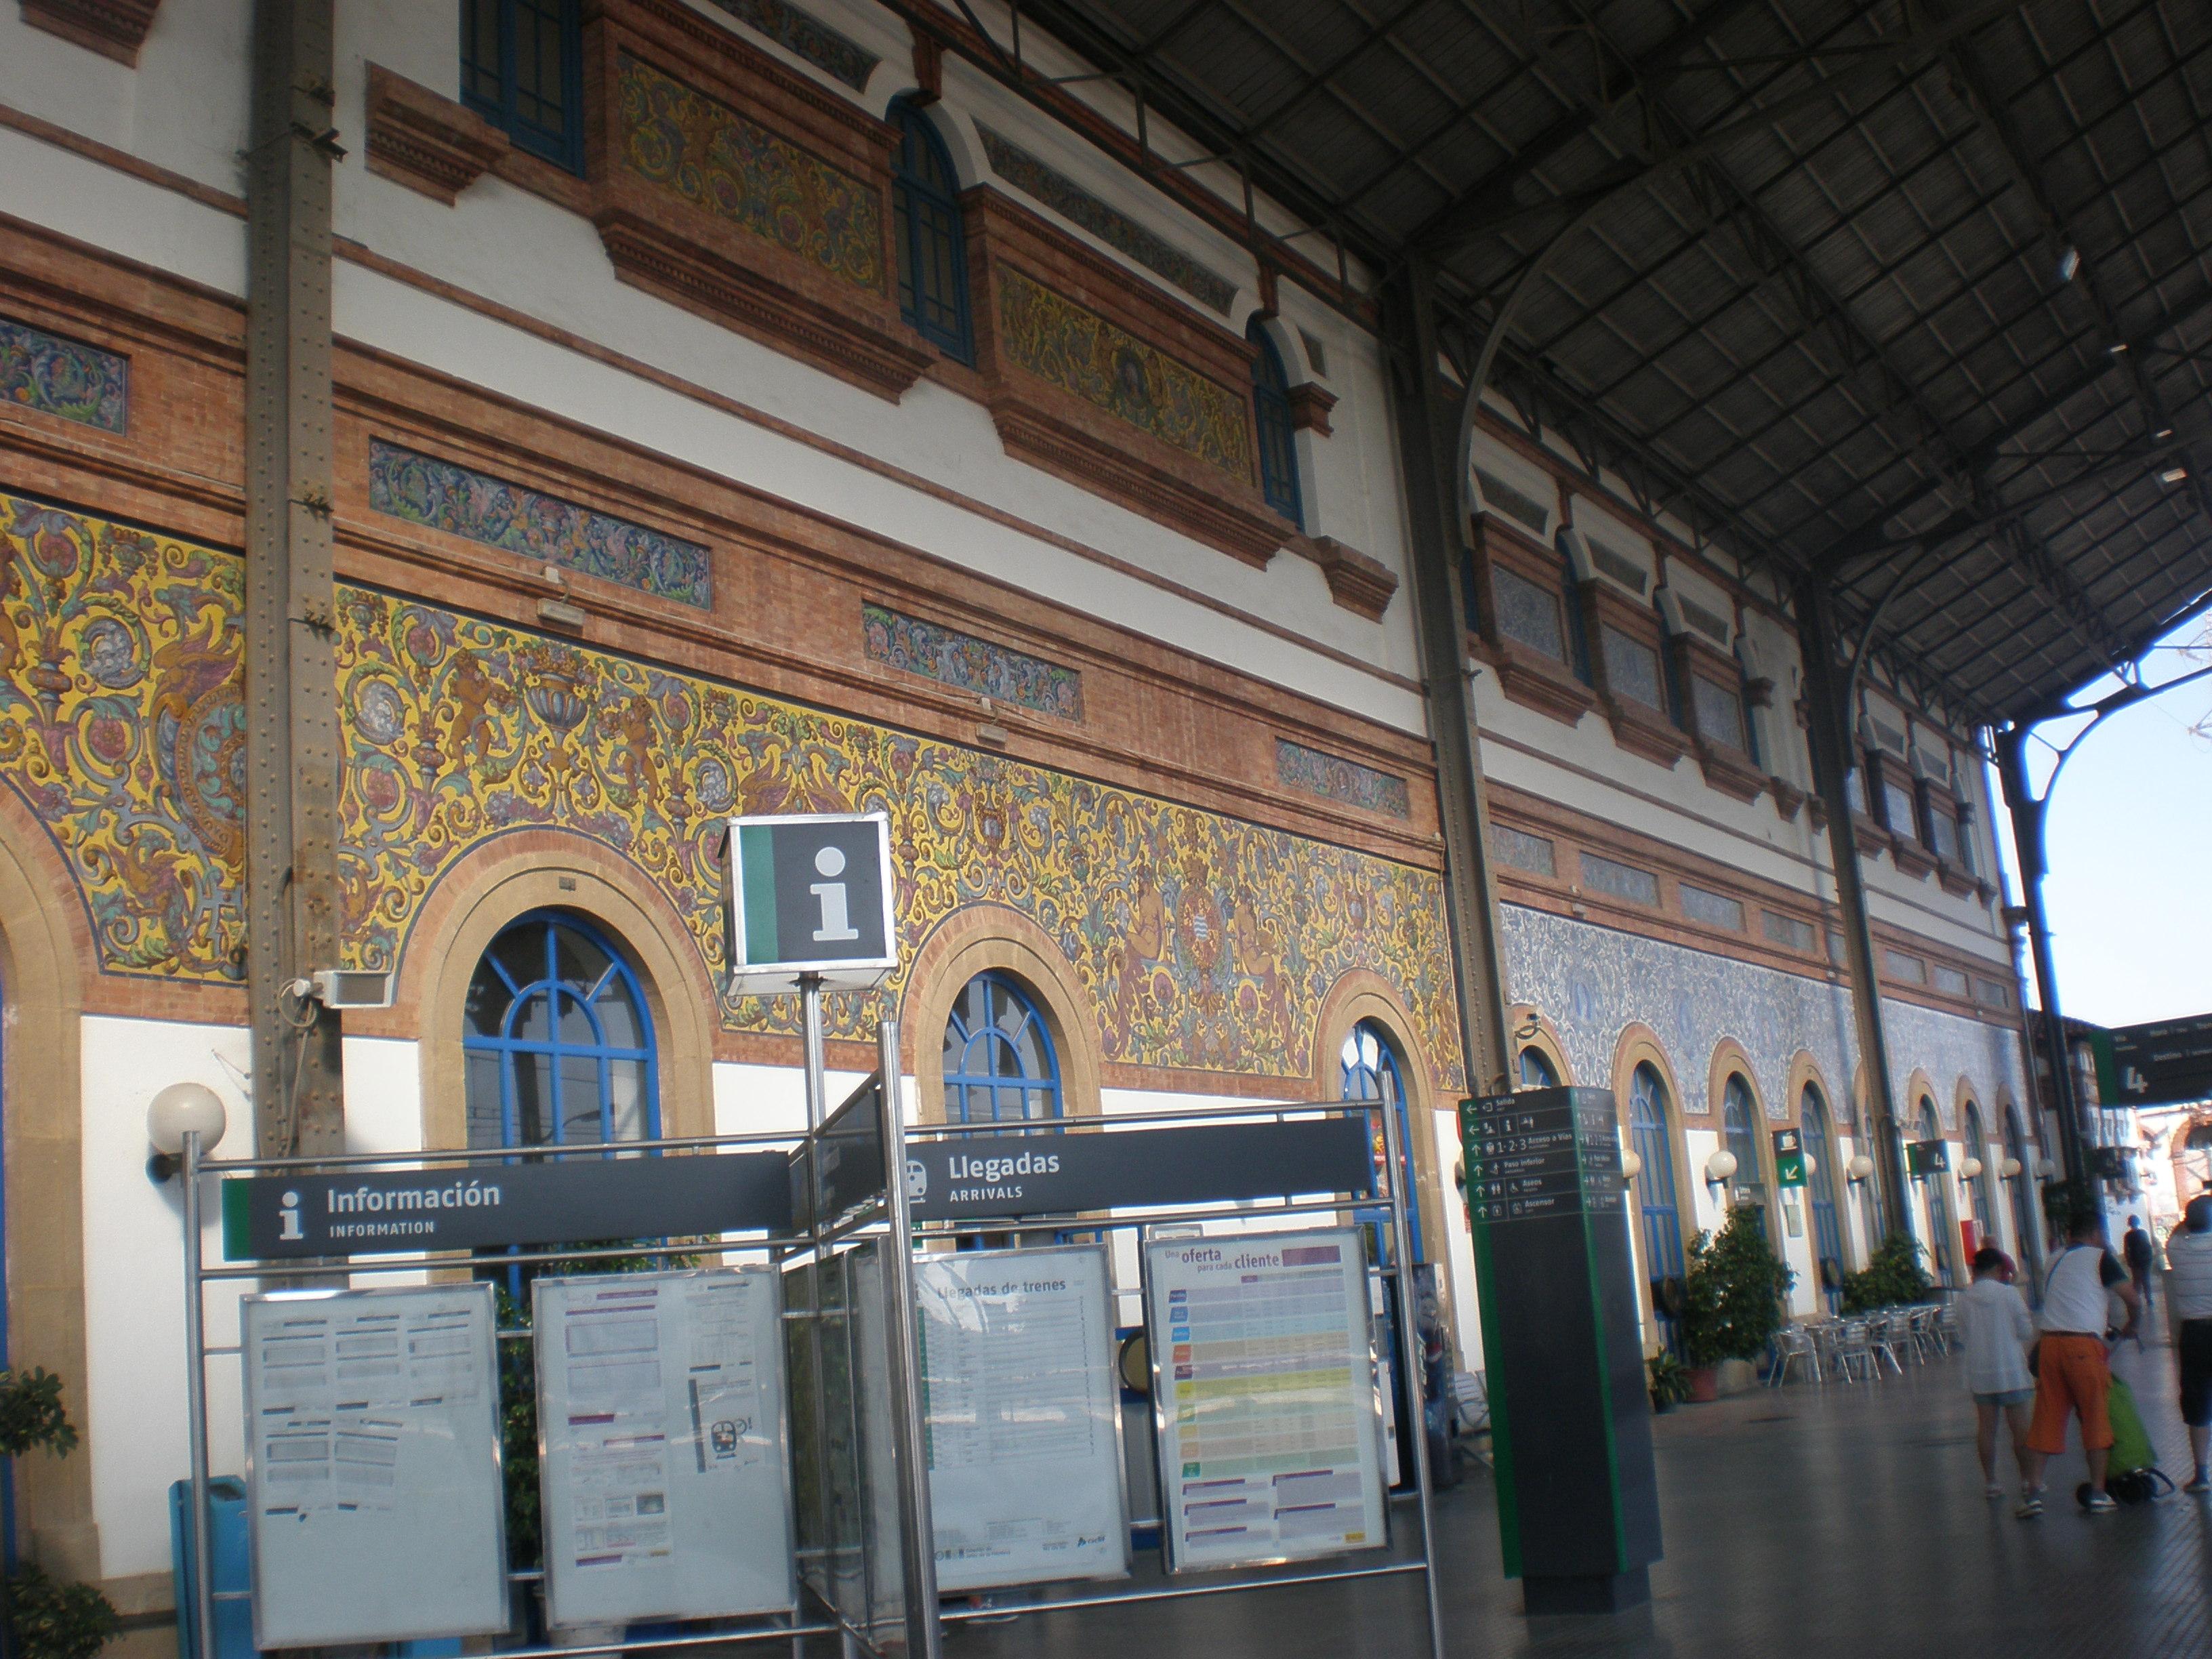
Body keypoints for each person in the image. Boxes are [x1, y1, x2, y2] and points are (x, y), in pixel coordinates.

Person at [2018, 1209, 2140, 1517]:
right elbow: (2132, 1298)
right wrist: (2133, 1325)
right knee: (2096, 1416)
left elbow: (2073, 1296)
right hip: (2082, 1348)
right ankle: (2098, 1494)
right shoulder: (2100, 1257)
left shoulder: (2054, 1258)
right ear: (2097, 1234)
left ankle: (2033, 1494)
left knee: (2046, 1418)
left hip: (2049, 1346)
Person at [1959, 1245, 2036, 1499]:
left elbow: (1962, 1336)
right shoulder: (2009, 1294)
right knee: (2020, 1428)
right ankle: (2027, 1480)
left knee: (1986, 1429)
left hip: (1981, 1373)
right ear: (1995, 1269)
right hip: (2012, 1371)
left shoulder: (1963, 1299)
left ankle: (1991, 1482)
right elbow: (2025, 1331)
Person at [2166, 1193, 2212, 1494]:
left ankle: (2202, 1475)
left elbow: (2176, 1232)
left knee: (2197, 1403)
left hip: (2194, 1335)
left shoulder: (2176, 1249)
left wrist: (2186, 1221)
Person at [2124, 1214, 2155, 1342]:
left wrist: (2129, 1261)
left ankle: (2136, 1301)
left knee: (2137, 1282)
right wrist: (2150, 1258)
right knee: (2146, 1280)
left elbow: (2127, 1250)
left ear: (2130, 1224)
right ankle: (2149, 1300)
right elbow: (2148, 1246)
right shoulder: (2143, 1233)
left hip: (2135, 1262)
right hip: (2145, 1261)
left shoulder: (2128, 1236)